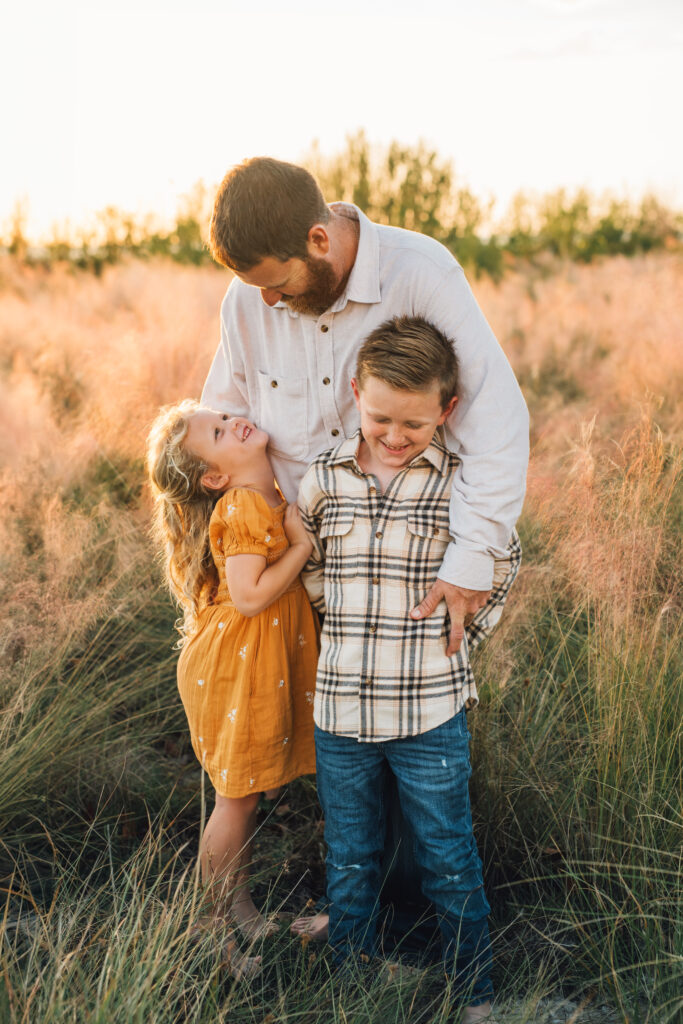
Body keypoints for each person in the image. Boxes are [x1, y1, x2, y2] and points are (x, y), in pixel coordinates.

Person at [203, 156, 529, 656]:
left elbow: (494, 422)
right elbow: (221, 423)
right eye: (255, 287)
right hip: (294, 577)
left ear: (318, 239)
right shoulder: (246, 301)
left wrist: (471, 557)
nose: (266, 301)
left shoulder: (421, 272)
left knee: (424, 725)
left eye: (277, 282)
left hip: (414, 577)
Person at [297, 317, 521, 1022]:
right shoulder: (324, 479)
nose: (394, 436)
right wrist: (325, 618)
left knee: (447, 858)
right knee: (351, 857)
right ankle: (352, 985)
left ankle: (474, 994)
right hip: (341, 714)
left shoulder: (459, 486)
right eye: (380, 418)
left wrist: (467, 630)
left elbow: (501, 560)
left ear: (446, 413)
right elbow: (304, 565)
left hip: (429, 711)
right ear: (355, 393)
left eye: (414, 425)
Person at [146, 400, 318, 977]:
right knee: (236, 797)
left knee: (245, 794)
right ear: (214, 478)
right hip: (234, 662)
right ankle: (209, 929)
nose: (233, 421)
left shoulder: (260, 493)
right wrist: (299, 547)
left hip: (251, 656)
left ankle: (238, 907)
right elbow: (247, 596)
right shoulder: (244, 503)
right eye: (218, 431)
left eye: (223, 416)